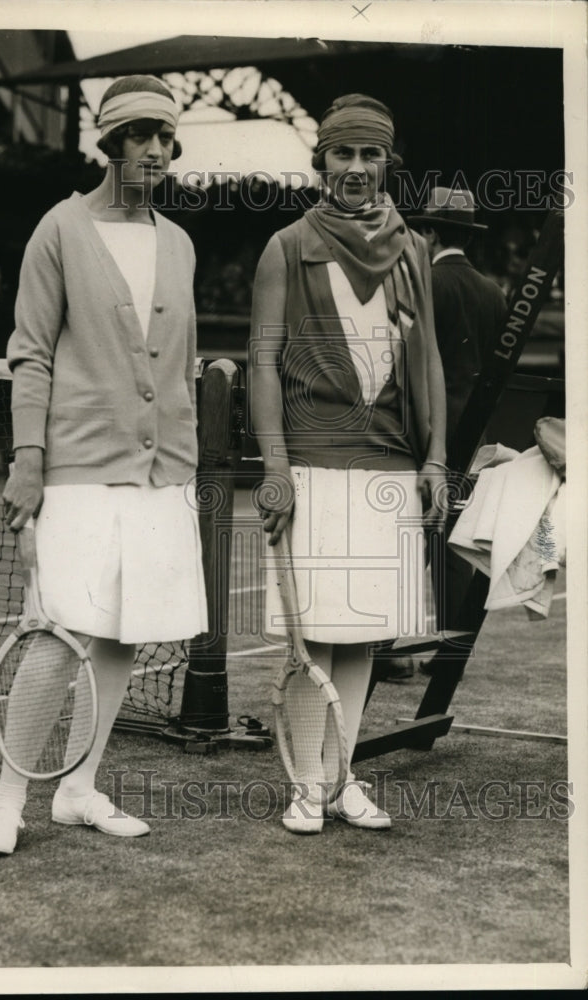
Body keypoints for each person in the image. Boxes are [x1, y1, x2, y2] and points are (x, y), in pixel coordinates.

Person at [0, 75, 207, 855]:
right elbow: (30, 354)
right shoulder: (60, 229)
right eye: (140, 135)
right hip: (75, 465)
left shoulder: (178, 242)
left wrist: (185, 459)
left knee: (123, 635)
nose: (156, 151)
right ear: (109, 143)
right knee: (55, 629)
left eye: (166, 138)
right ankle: (8, 799)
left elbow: (181, 363)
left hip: (161, 471)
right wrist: (27, 460)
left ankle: (78, 788)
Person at [248, 93, 447, 834]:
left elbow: (426, 362)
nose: (356, 167)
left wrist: (433, 458)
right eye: (342, 153)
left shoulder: (413, 251)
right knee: (314, 636)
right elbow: (262, 363)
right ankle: (306, 784)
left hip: (388, 467)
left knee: (361, 631)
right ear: (321, 160)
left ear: (386, 162)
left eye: (369, 154)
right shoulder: (286, 247)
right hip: (311, 464)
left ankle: (337, 779)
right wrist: (273, 466)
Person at [382, 187, 508, 680]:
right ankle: (450, 652)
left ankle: (390, 648)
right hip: (473, 434)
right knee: (455, 543)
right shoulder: (494, 291)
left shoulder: (426, 282)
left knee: (402, 537)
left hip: (427, 432)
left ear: (430, 234)